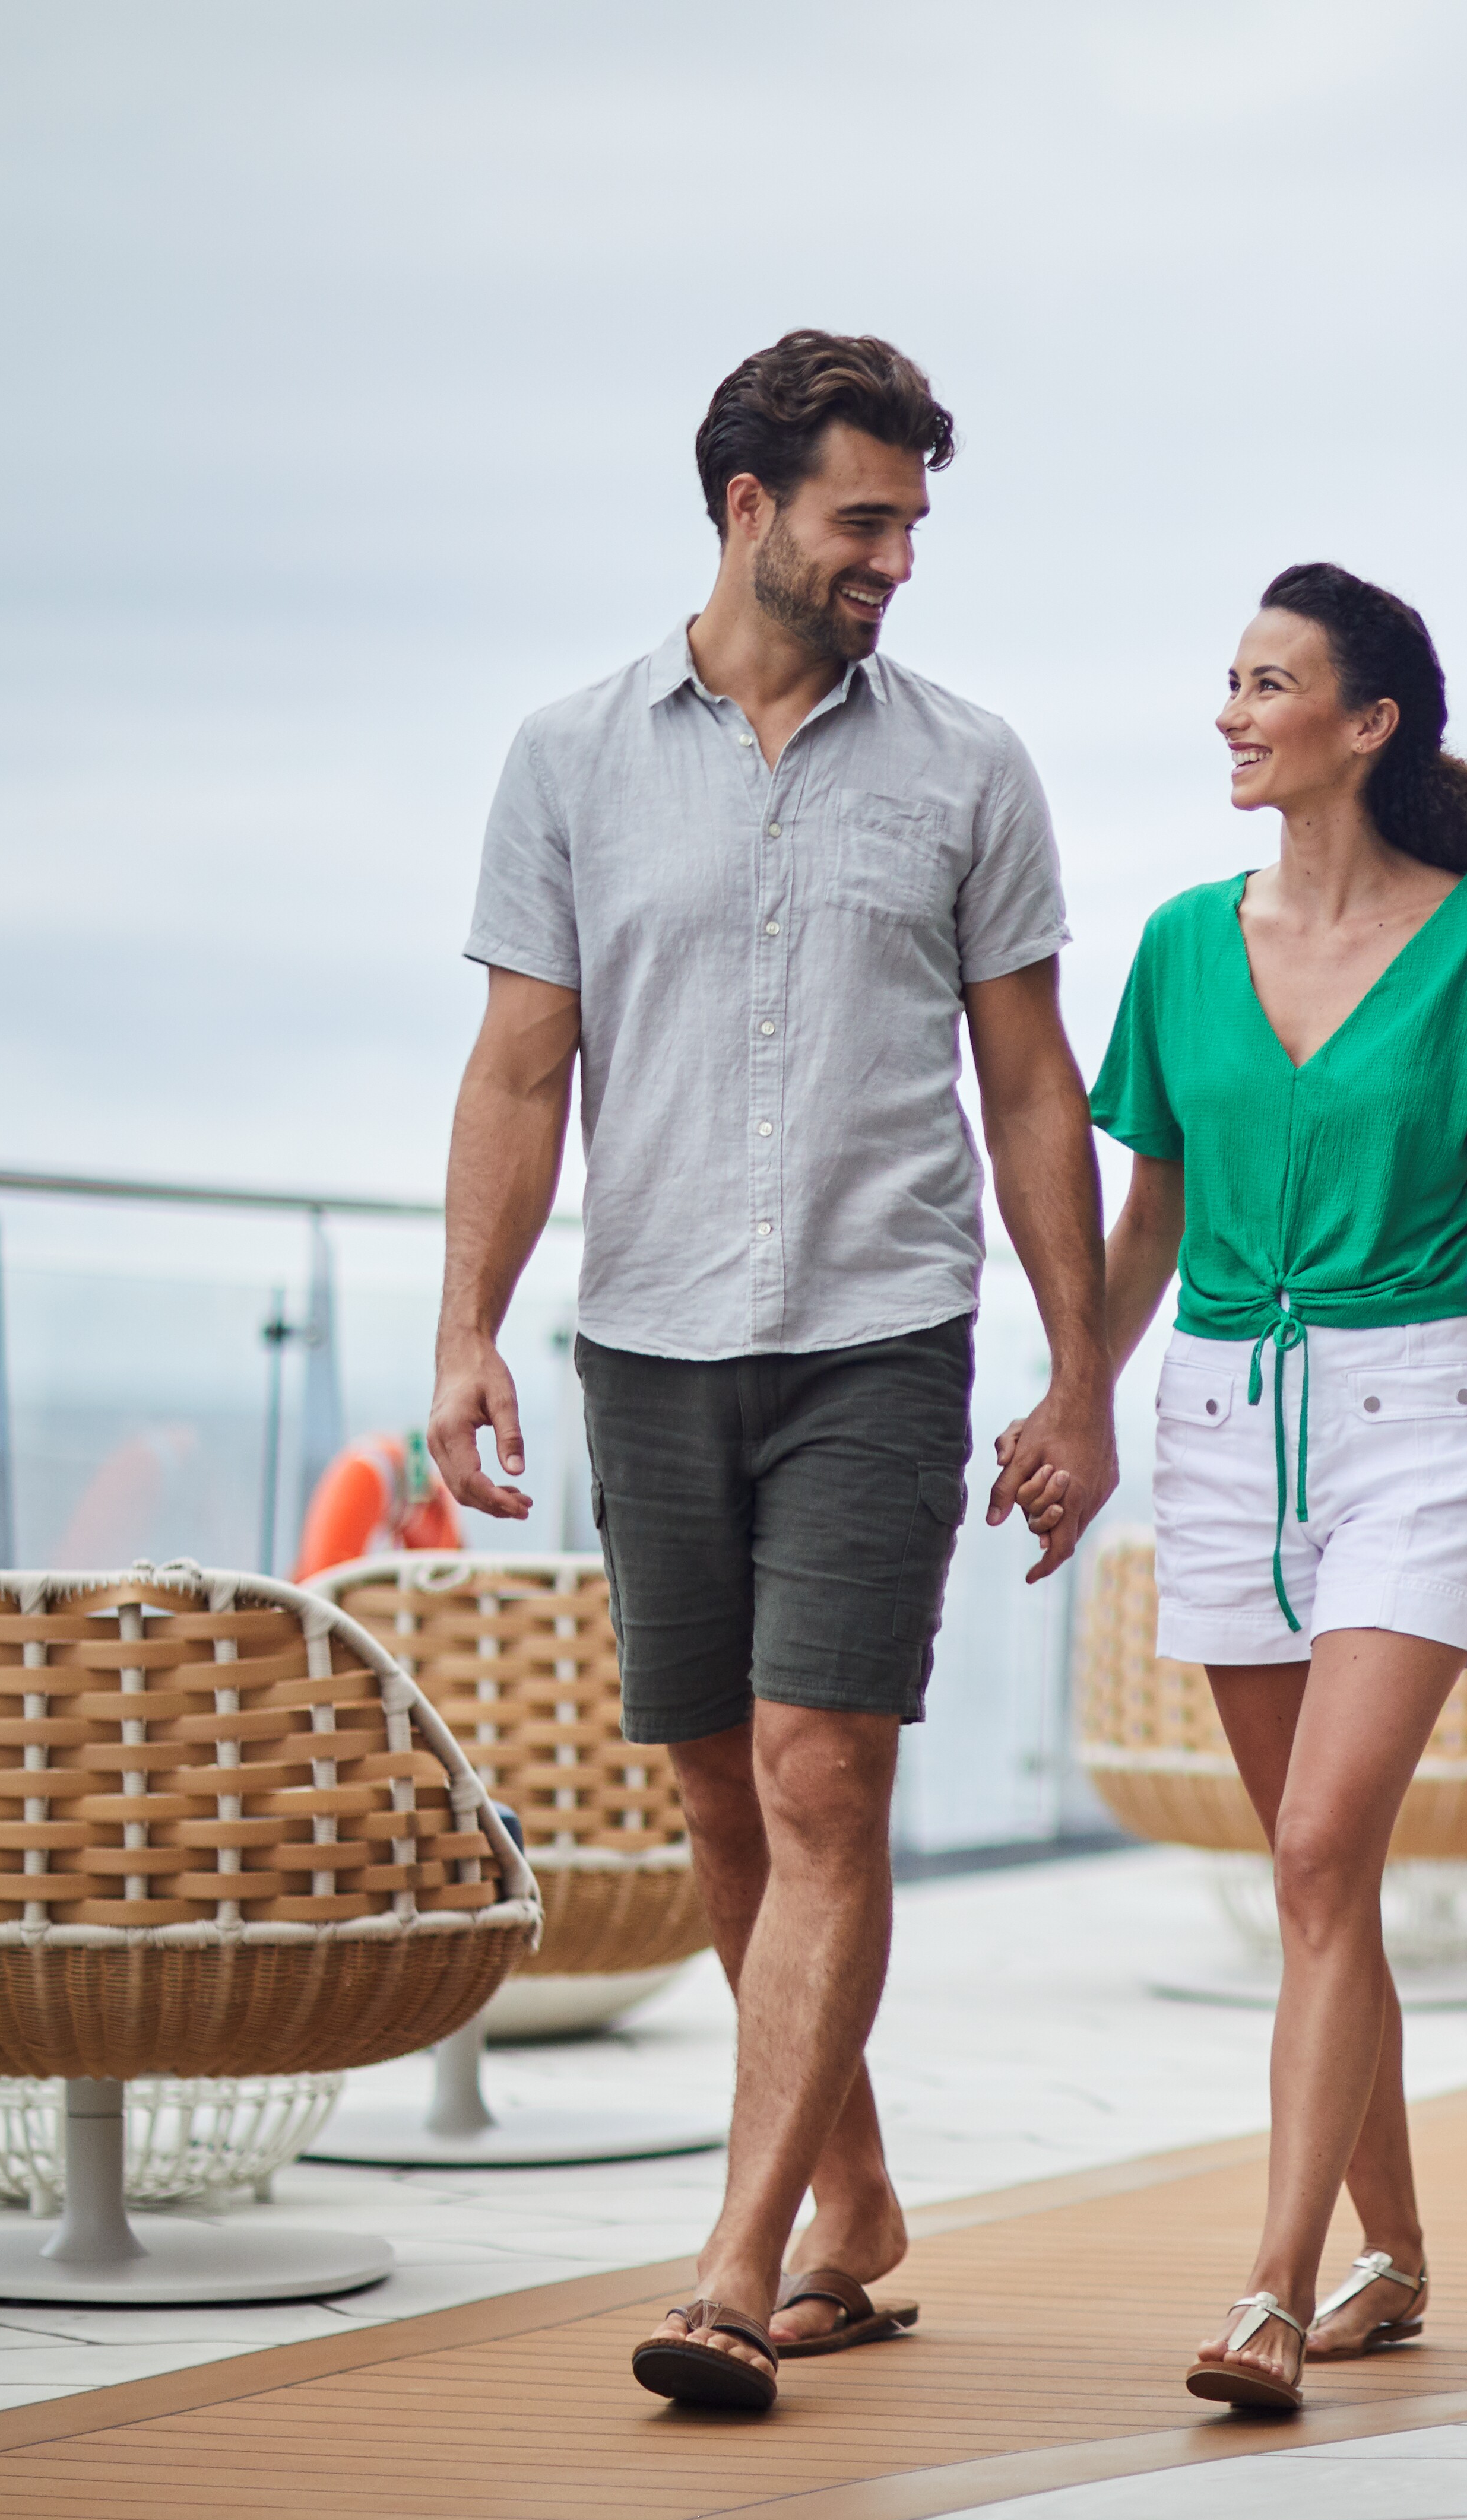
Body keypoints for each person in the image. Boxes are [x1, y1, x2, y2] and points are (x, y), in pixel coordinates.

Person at [431, 330, 1111, 2414]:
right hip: (645, 1335)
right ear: (750, 509)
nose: (897, 557)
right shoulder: (568, 759)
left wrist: (1077, 1373)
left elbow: (1024, 1088)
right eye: (865, 519)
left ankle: (736, 2264)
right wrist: (466, 1323)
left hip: (877, 1337)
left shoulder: (970, 767)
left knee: (826, 1778)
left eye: (912, 521)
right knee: (722, 1793)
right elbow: (524, 1062)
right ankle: (860, 2210)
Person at [1067, 561, 1467, 2413]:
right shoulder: (1173, 946)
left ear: (1368, 724)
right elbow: (1148, 1218)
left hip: (1415, 1425)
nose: (1232, 712)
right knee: (1327, 1886)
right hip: (1221, 1425)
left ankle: (1271, 2292)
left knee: (1317, 1853)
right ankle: (1392, 2251)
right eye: (1228, 678)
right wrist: (1076, 1400)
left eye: (1270, 682)